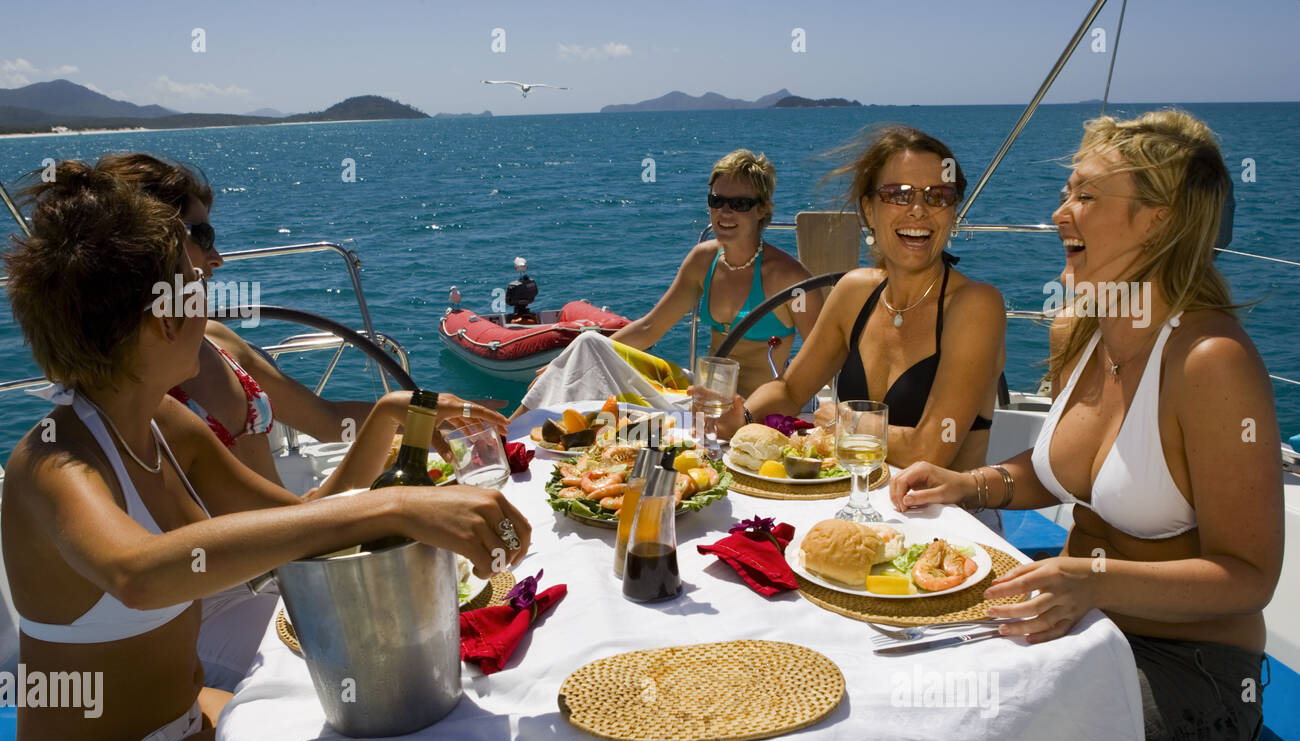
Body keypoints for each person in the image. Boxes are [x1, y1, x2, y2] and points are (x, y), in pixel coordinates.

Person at [2, 163, 531, 741]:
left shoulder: (164, 423)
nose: (208, 291)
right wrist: (399, 505)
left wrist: (391, 423)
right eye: (192, 286)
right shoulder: (52, 461)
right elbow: (136, 573)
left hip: (188, 724)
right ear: (157, 320)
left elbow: (297, 526)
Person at [883, 110, 1282, 741]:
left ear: (1157, 220)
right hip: (1083, 631)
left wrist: (1090, 578)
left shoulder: (1209, 363)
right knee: (902, 677)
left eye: (1086, 196)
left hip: (1195, 675)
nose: (1059, 213)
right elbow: (1053, 469)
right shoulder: (1090, 330)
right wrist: (966, 483)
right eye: (1067, 193)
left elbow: (1250, 578)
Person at [94, 153, 506, 487]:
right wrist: (391, 417)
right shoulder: (135, 401)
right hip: (247, 569)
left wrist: (422, 416)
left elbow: (326, 422)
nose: (216, 257)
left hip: (284, 541)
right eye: (202, 237)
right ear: (152, 244)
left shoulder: (218, 342)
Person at [720, 127, 1005, 477]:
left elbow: (931, 449)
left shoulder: (976, 305)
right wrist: (742, 417)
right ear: (868, 209)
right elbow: (791, 389)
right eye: (897, 194)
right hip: (854, 500)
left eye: (938, 196)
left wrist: (846, 421)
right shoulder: (855, 292)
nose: (918, 210)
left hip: (949, 521)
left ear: (953, 212)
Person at [517, 149, 823, 414]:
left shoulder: (789, 279)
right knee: (587, 344)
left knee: (598, 375)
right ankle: (510, 437)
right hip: (699, 397)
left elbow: (825, 356)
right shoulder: (704, 260)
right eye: (717, 201)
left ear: (761, 209)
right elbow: (650, 328)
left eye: (739, 204)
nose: (725, 212)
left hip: (751, 408)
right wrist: (566, 365)